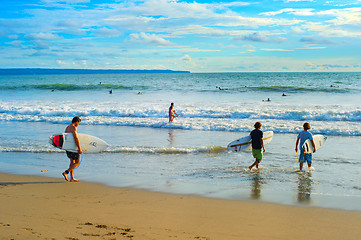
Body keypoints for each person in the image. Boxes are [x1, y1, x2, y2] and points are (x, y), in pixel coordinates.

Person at [62, 116, 82, 182]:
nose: (78, 125)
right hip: (73, 148)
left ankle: (71, 177)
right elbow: (76, 138)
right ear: (76, 122)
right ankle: (66, 172)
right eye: (78, 123)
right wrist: (79, 148)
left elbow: (65, 138)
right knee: (77, 162)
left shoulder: (67, 127)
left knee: (72, 162)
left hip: (68, 147)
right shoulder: (73, 128)